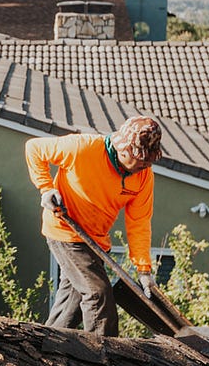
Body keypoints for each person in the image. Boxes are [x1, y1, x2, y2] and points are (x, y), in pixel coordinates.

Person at [24, 116, 163, 336]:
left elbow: (139, 223)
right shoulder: (82, 148)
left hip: (96, 240)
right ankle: (106, 359)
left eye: (148, 161)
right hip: (66, 230)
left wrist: (143, 269)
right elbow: (34, 148)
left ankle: (44, 347)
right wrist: (46, 187)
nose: (143, 166)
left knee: (71, 306)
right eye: (139, 160)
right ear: (123, 148)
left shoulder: (144, 176)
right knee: (98, 294)